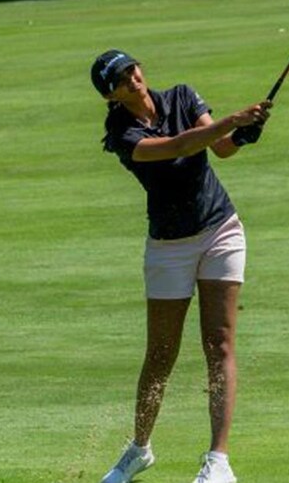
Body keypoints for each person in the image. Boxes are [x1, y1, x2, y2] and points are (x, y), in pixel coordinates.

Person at [91, 49, 271, 483]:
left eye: (132, 68)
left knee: (220, 344)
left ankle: (218, 460)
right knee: (160, 355)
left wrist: (245, 132)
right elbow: (178, 146)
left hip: (220, 230)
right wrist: (233, 120)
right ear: (110, 95)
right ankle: (139, 449)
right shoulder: (122, 132)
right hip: (169, 245)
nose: (133, 77)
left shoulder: (183, 96)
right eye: (120, 78)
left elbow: (220, 147)